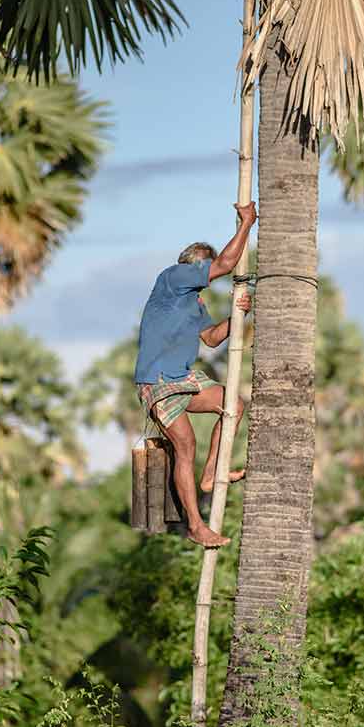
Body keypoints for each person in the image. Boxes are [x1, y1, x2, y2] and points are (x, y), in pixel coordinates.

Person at [134, 201, 257, 547]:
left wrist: (238, 315)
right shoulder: (172, 278)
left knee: (233, 404)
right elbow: (226, 264)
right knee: (185, 446)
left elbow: (212, 338)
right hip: (158, 381)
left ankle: (211, 474)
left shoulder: (196, 302)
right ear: (192, 264)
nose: (208, 272)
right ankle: (195, 525)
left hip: (183, 377)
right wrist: (247, 223)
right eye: (204, 266)